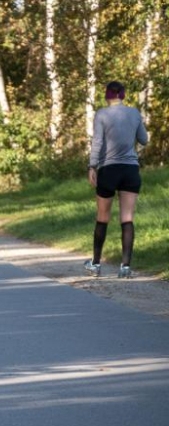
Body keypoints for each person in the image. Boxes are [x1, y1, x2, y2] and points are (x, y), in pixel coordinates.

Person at [85, 81, 148, 279]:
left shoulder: (102, 114)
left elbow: (98, 142)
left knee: (103, 217)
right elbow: (144, 139)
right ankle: (125, 267)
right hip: (130, 170)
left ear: (107, 95)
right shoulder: (134, 113)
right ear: (123, 94)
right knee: (127, 218)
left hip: (108, 170)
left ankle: (95, 264)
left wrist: (92, 166)